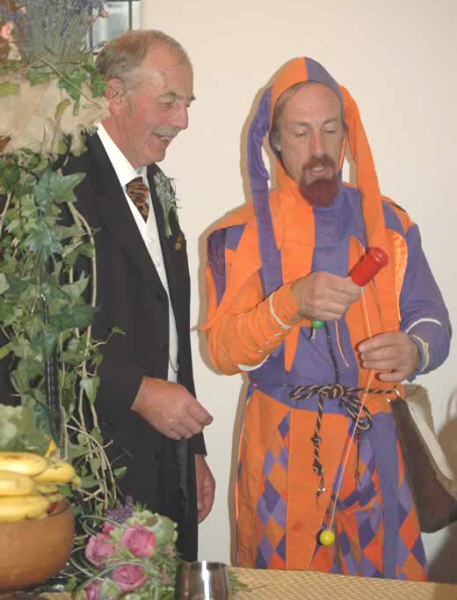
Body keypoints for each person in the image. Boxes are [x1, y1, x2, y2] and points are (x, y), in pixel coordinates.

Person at [203, 57, 451, 578]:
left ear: (347, 134)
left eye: (330, 129)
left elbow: (431, 318)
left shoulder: (392, 223)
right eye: (300, 131)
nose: (318, 149)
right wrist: (288, 302)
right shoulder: (235, 236)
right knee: (284, 587)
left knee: (390, 585)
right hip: (281, 444)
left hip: (379, 436)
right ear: (274, 143)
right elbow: (223, 351)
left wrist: (413, 350)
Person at [65, 30, 215, 561]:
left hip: (164, 461)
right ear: (115, 95)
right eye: (168, 101)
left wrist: (191, 450)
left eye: (187, 103)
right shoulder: (58, 186)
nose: (182, 121)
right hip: (92, 466)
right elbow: (28, 335)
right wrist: (136, 391)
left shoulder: (156, 187)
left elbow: (169, 324)